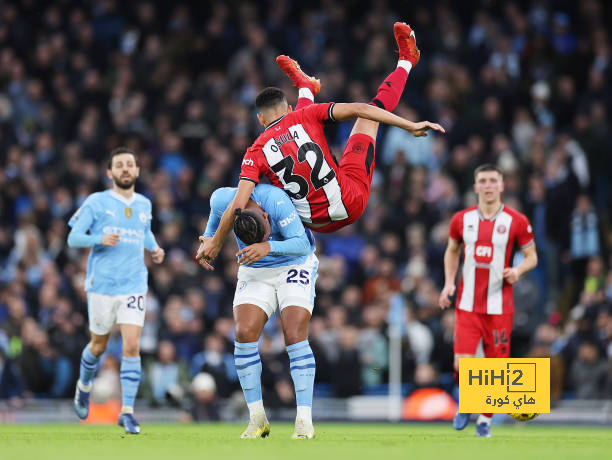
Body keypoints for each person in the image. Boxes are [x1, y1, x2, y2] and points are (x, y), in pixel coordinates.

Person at [197, 22, 444, 269]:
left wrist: (215, 243)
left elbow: (237, 206)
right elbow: (361, 109)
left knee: (263, 189)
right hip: (350, 199)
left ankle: (307, 87)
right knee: (371, 113)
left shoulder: (254, 151)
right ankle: (407, 61)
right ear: (289, 108)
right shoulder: (304, 115)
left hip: (315, 224)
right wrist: (409, 125)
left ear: (260, 120)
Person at [201, 184, 318, 439]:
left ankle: (303, 421)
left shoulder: (275, 201)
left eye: (265, 233)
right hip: (254, 266)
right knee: (243, 332)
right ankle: (257, 418)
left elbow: (300, 243)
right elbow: (214, 223)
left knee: (294, 332)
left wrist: (269, 246)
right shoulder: (222, 200)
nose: (265, 236)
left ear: (265, 215)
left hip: (295, 262)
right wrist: (208, 238)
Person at [67, 147, 165, 434]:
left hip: (134, 285)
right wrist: (99, 238)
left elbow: (144, 231)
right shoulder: (96, 202)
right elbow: (73, 237)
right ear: (109, 173)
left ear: (137, 171)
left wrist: (155, 248)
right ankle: (83, 385)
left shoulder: (145, 204)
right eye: (119, 165)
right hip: (102, 286)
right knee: (98, 346)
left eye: (129, 165)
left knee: (131, 346)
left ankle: (128, 412)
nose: (125, 169)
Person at [439, 164, 538, 437]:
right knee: (462, 364)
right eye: (483, 180)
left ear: (502, 185)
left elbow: (533, 257)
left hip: (499, 305)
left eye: (493, 180)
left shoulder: (516, 221)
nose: (488, 185)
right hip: (467, 303)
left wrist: (517, 270)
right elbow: (451, 251)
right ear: (475, 187)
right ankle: (467, 404)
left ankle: (485, 420)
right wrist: (449, 283)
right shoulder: (461, 219)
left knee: (494, 367)